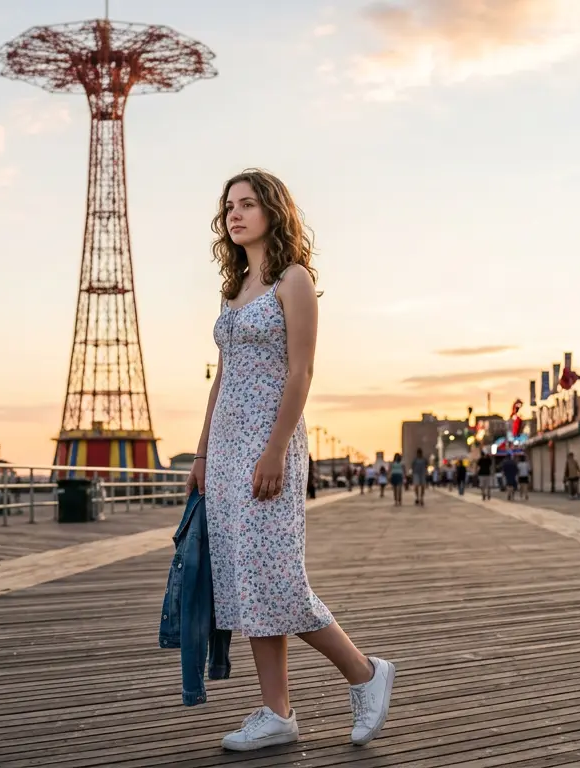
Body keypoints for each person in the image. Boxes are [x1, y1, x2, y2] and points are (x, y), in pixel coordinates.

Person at [187, 169, 394, 751]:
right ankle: (277, 712)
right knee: (246, 584)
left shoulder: (292, 280)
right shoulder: (234, 292)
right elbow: (223, 379)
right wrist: (203, 453)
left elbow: (301, 371)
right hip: (227, 450)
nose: (235, 214)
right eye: (229, 206)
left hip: (269, 445)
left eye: (248, 204)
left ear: (274, 212)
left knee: (277, 577)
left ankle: (365, 672)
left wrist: (277, 448)